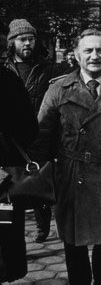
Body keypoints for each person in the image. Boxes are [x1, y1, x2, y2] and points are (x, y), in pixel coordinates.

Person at [34, 28, 101, 285]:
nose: (95, 56)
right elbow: (42, 137)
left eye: (100, 50)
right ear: (76, 55)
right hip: (71, 177)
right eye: (88, 50)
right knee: (75, 254)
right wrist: (41, 177)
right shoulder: (59, 89)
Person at [3, 18, 62, 243]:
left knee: (37, 180)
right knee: (9, 185)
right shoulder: (6, 69)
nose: (27, 43)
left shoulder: (48, 68)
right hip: (11, 140)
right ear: (12, 43)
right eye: (22, 39)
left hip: (39, 132)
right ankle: (9, 230)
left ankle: (42, 223)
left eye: (31, 39)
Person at [0, 66, 38, 283]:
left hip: (4, 181)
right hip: (5, 181)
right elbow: (29, 128)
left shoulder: (7, 80)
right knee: (4, 232)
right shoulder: (8, 79)